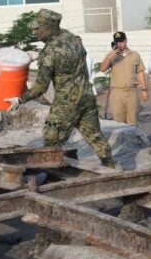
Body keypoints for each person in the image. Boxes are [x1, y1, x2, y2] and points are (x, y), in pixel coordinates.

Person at [7, 9, 115, 168]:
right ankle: (110, 166)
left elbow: (40, 88)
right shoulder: (72, 39)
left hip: (67, 102)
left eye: (38, 28)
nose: (34, 31)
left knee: (52, 139)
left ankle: (50, 172)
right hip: (86, 95)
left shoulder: (49, 53)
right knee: (95, 136)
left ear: (48, 27)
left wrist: (19, 99)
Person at [99, 31, 148, 127]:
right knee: (119, 120)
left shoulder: (135, 55)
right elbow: (102, 69)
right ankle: (122, 141)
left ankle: (134, 141)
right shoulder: (112, 55)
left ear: (126, 41)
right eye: (117, 42)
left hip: (132, 91)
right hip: (117, 92)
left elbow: (140, 72)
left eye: (121, 41)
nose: (120, 44)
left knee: (133, 119)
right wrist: (109, 57)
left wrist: (144, 89)